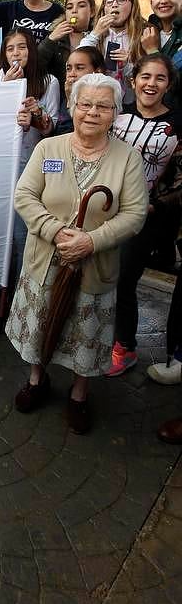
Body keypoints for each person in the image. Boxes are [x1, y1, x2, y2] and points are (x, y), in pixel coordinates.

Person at [6, 73, 148, 433]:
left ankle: (80, 394)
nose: (92, 113)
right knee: (39, 324)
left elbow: (134, 214)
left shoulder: (127, 158)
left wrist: (91, 241)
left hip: (94, 264)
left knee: (86, 331)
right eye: (85, 104)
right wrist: (56, 231)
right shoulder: (48, 149)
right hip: (44, 260)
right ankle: (37, 380)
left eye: (102, 106)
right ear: (72, 106)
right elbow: (24, 196)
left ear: (115, 113)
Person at [106, 54, 182, 377]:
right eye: (145, 76)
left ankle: (125, 347)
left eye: (160, 78)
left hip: (146, 216)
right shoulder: (117, 116)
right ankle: (98, 338)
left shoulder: (178, 125)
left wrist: (157, 205)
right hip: (105, 211)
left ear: (169, 84)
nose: (151, 84)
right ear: (133, 80)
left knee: (123, 280)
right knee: (101, 278)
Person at [0, 28, 60, 278]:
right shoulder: (3, 76)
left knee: (23, 230)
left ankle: (19, 288)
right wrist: (5, 89)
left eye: (21, 47)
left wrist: (35, 116)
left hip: (29, 163)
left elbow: (48, 128)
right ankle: (0, 283)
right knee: (4, 229)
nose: (16, 53)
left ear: (31, 50)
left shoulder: (48, 81)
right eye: (10, 48)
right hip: (3, 163)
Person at [79, 0, 144, 99]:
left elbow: (145, 77)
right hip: (98, 98)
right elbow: (78, 57)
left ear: (133, 5)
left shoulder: (142, 34)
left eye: (121, 0)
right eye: (109, 1)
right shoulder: (96, 34)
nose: (114, 5)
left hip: (130, 101)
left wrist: (127, 65)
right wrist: (95, 33)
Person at [38, 0, 97, 93]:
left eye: (81, 6)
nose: (74, 11)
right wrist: (50, 39)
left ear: (92, 12)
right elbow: (36, 65)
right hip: (61, 98)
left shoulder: (99, 36)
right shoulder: (56, 37)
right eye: (69, 7)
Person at [53, 47, 105, 136]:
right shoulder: (68, 93)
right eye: (68, 69)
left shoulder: (103, 103)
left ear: (97, 72)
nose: (72, 74)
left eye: (79, 68)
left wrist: (71, 101)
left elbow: (72, 133)